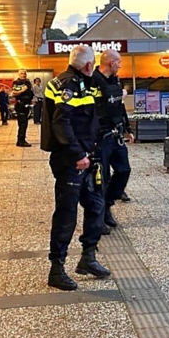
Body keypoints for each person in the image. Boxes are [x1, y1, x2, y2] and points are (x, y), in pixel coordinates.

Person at [43, 45, 109, 290]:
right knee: (67, 213)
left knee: (96, 206)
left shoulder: (82, 83)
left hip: (87, 158)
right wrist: (78, 154)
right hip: (70, 160)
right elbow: (61, 122)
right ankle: (56, 269)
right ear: (89, 65)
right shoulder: (67, 85)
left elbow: (87, 120)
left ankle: (88, 257)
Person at [92, 49, 133, 231]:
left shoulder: (115, 80)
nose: (120, 66)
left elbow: (119, 106)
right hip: (100, 136)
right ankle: (99, 216)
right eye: (119, 63)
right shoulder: (93, 81)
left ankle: (108, 203)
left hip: (116, 134)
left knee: (124, 170)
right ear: (111, 63)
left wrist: (128, 128)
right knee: (102, 177)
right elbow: (99, 106)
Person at [12, 70, 35, 147]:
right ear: (18, 74)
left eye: (25, 73)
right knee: (22, 123)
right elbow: (14, 93)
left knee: (25, 124)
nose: (23, 75)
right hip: (20, 105)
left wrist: (31, 99)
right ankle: (20, 141)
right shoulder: (17, 83)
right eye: (22, 73)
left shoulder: (27, 82)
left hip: (26, 105)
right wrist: (23, 90)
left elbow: (30, 92)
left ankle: (22, 139)